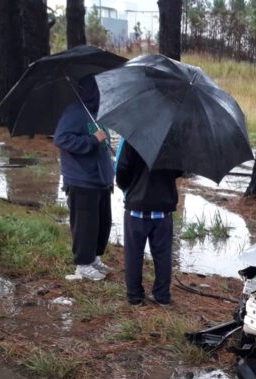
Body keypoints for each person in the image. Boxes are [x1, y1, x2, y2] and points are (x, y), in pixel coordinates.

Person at [53, 74, 114, 281]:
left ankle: (94, 257)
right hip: (82, 181)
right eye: (98, 89)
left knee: (103, 223)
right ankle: (82, 264)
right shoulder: (75, 111)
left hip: (101, 180)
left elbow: (102, 143)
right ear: (90, 90)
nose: (102, 93)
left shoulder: (97, 112)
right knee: (85, 224)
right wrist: (91, 141)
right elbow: (61, 139)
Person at [115, 139, 183, 306]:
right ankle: (162, 296)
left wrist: (131, 188)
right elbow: (179, 170)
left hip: (136, 208)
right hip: (163, 208)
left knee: (133, 254)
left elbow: (122, 171)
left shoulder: (132, 139)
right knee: (163, 254)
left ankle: (134, 296)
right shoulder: (173, 141)